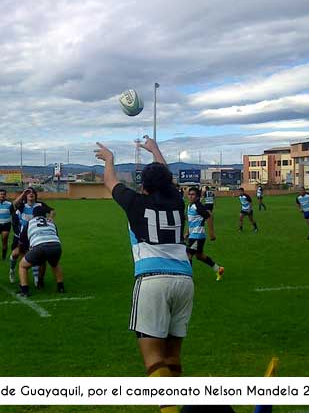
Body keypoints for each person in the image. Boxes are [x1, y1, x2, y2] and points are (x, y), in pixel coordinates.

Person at [95, 136, 192, 413]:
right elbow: (166, 179)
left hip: (152, 280)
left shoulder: (135, 202)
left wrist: (110, 159)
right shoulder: (177, 201)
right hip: (185, 280)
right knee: (173, 356)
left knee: (153, 359)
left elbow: (110, 182)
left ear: (143, 185)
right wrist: (154, 150)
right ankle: (176, 406)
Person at [11, 187, 55, 288]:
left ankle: (36, 279)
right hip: (22, 235)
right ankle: (12, 270)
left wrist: (51, 218)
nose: (31, 194)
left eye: (33, 193)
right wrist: (22, 193)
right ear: (25, 196)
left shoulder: (40, 205)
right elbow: (13, 204)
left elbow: (52, 210)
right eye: (28, 193)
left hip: (36, 235)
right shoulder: (22, 206)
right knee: (16, 254)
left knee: (37, 257)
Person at [17, 205, 65, 297]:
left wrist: (26, 250)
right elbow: (56, 235)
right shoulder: (51, 222)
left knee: (22, 266)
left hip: (40, 246)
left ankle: (25, 290)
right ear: (45, 214)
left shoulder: (30, 222)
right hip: (56, 245)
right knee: (55, 264)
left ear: (33, 214)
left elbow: (22, 240)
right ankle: (61, 287)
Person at [185, 187, 224, 281]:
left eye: (193, 194)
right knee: (199, 255)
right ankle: (218, 269)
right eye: (189, 194)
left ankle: (188, 277)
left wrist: (212, 233)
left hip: (198, 235)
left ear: (198, 196)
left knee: (188, 254)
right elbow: (192, 221)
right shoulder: (190, 206)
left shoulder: (197, 206)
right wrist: (187, 232)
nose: (190, 196)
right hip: (193, 235)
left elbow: (209, 216)